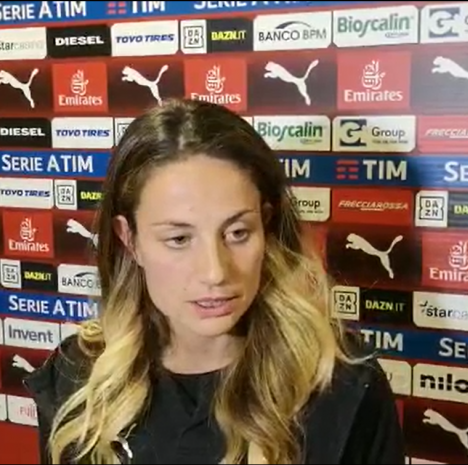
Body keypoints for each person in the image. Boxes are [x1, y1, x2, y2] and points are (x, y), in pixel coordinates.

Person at [23, 99, 405, 464]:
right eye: (179, 239)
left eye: (238, 233)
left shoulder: (343, 386)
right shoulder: (75, 379)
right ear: (130, 240)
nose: (215, 272)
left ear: (265, 226)